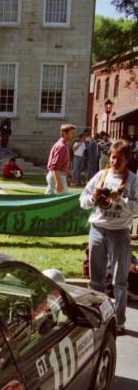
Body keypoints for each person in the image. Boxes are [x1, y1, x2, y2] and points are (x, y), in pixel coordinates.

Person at [79, 139, 138, 335]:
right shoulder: (101, 175)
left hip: (120, 232)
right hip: (97, 228)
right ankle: (97, 316)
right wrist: (93, 198)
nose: (114, 162)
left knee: (119, 281)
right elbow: (83, 200)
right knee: (96, 279)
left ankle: (119, 321)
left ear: (127, 160)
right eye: (112, 157)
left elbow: (136, 208)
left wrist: (120, 199)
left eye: (119, 159)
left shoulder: (133, 180)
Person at [45, 123, 76, 195]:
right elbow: (55, 166)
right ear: (64, 133)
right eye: (72, 133)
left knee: (49, 200)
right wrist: (58, 183)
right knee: (63, 201)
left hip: (57, 175)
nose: (74, 136)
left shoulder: (63, 145)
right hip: (57, 176)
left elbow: (62, 164)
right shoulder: (61, 146)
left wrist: (69, 176)